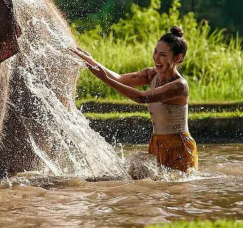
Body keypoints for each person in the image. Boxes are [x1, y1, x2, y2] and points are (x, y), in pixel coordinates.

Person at [71, 26, 198, 173]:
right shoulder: (151, 75)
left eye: (162, 55)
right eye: (155, 52)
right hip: (156, 142)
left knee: (177, 190)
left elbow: (141, 97)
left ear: (178, 58)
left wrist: (104, 79)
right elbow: (119, 78)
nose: (156, 58)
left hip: (179, 145)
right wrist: (92, 61)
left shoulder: (179, 86)